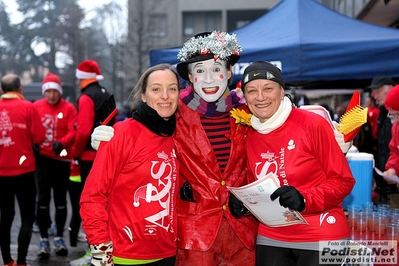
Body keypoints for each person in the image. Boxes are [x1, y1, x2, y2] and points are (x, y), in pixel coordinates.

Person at [91, 31, 353, 266]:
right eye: (200, 71)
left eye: (216, 69)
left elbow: (285, 123)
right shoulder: (174, 114)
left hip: (244, 234)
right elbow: (148, 133)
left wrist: (337, 137)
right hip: (195, 237)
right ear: (191, 78)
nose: (208, 79)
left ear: (228, 74)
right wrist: (106, 135)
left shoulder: (248, 112)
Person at [240, 61, 355, 266]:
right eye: (251, 91)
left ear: (282, 91)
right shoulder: (250, 135)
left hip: (321, 229)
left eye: (268, 88)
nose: (260, 97)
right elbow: (258, 186)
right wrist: (246, 204)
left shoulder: (312, 124)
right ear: (245, 97)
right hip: (273, 233)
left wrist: (304, 199)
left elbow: (343, 181)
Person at [80, 63, 180, 266]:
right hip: (125, 255)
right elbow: (92, 196)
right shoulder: (122, 134)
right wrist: (101, 252)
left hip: (168, 254)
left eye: (172, 88)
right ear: (143, 95)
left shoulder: (180, 134)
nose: (165, 96)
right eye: (156, 89)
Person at [0, 74, 46, 266]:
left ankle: (7, 261)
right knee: (27, 217)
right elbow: (39, 137)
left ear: (2, 90)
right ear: (20, 89)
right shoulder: (28, 107)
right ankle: (21, 262)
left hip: (1, 172)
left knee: (5, 215)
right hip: (24, 170)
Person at [32, 73, 77, 259]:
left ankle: (59, 237)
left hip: (60, 160)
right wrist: (32, 143)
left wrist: (63, 143)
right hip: (42, 160)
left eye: (55, 91)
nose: (51, 95)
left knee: (60, 201)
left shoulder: (68, 108)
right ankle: (43, 239)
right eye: (48, 91)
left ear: (60, 92)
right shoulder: (35, 107)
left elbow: (73, 130)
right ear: (44, 92)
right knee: (42, 200)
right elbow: (29, 128)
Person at [368, 76, 397, 206]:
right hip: (389, 184)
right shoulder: (384, 114)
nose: (375, 96)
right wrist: (391, 168)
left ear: (390, 89)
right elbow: (393, 150)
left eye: (378, 91)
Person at [383, 85, 399, 198]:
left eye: (398, 114)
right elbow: (395, 151)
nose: (396, 120)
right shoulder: (396, 127)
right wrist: (392, 169)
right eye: (393, 115)